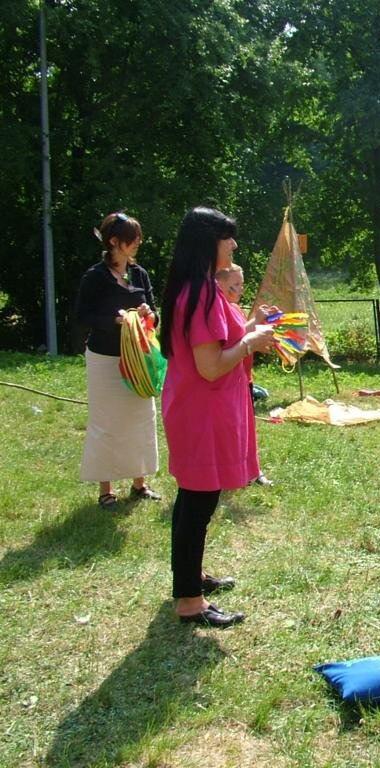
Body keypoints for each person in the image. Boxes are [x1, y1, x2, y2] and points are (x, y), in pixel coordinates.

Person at [159, 206, 276, 627]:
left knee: (193, 499)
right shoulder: (202, 294)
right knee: (198, 502)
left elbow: (219, 341)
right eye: (228, 237)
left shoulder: (197, 288)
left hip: (198, 408)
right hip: (202, 412)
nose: (234, 245)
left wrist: (251, 329)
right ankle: (190, 602)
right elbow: (210, 366)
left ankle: (191, 579)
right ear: (210, 242)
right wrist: (251, 343)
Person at [76, 211, 161, 509]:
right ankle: (106, 490)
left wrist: (150, 316)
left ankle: (140, 484)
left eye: (138, 237)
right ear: (114, 241)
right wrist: (114, 321)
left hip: (138, 357)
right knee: (107, 422)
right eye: (132, 238)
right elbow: (82, 316)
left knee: (141, 418)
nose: (138, 242)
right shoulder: (95, 277)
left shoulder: (140, 274)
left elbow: (154, 312)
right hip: (105, 359)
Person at [214, 263, 272, 487]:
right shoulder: (219, 309)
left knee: (247, 428)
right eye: (235, 284)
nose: (240, 289)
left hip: (243, 378)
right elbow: (234, 338)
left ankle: (251, 470)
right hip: (227, 380)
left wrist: (264, 326)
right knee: (232, 430)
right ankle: (235, 472)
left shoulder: (235, 308)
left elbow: (244, 333)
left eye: (242, 284)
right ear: (220, 284)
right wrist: (255, 322)